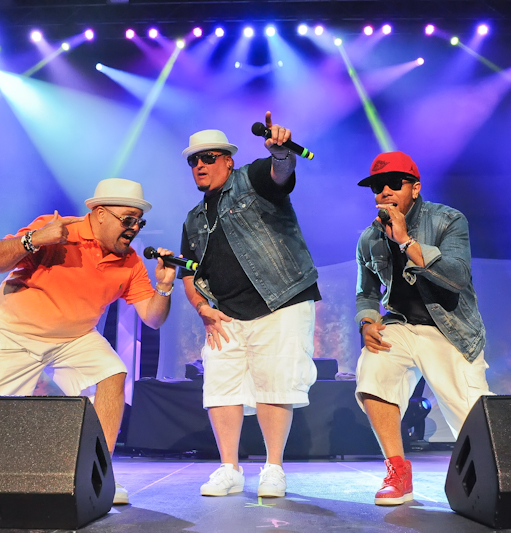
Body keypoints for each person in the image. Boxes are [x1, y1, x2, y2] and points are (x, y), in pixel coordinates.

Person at [0, 178, 177, 506]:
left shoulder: (130, 261)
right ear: (101, 214)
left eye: (139, 221)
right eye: (128, 220)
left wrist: (164, 287)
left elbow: (152, 317)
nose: (134, 228)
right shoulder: (59, 231)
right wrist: (34, 240)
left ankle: (101, 474)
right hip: (14, 334)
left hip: (74, 338)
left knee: (112, 374)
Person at [179, 112, 320, 498]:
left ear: (228, 160)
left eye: (208, 157)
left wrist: (280, 154)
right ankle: (229, 469)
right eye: (194, 160)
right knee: (220, 387)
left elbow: (280, 174)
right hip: (225, 313)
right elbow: (189, 272)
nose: (200, 165)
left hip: (281, 300)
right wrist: (200, 307)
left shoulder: (251, 178)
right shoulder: (193, 219)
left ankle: (273, 468)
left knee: (276, 383)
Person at [354, 151, 492, 506]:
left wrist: (406, 241)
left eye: (392, 184)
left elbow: (458, 277)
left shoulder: (448, 220)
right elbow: (367, 293)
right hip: (401, 325)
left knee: (475, 423)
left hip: (450, 331)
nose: (383, 191)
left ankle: (500, 480)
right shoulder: (369, 238)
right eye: (376, 186)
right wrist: (368, 321)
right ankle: (398, 472)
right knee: (372, 371)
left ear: (414, 188)